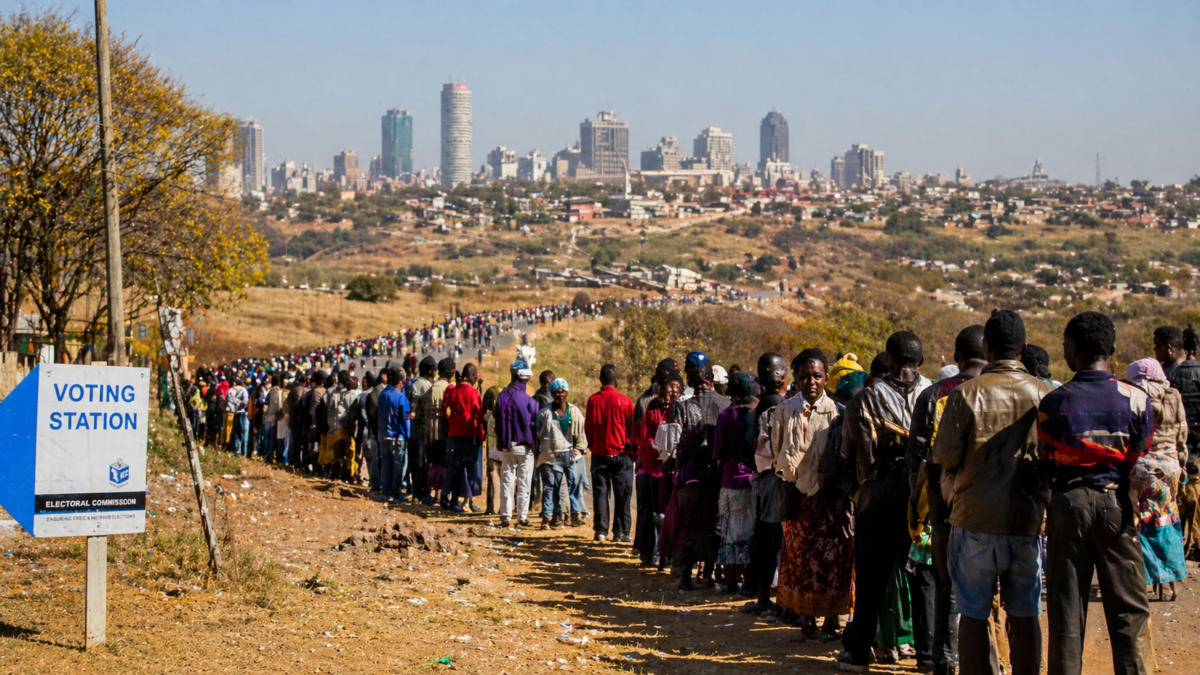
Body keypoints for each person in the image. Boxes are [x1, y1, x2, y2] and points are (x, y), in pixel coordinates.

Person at [931, 311, 1052, 675]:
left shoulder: (965, 394)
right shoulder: (1046, 395)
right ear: (1024, 348)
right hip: (1025, 520)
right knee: (1025, 610)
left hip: (973, 519)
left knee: (973, 612)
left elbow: (946, 457)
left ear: (987, 346)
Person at [1038, 311, 1153, 675]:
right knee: (1129, 610)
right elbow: (1139, 460)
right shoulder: (1136, 399)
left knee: (1066, 610)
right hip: (1116, 503)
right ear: (1112, 350)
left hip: (1068, 503)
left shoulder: (1054, 402)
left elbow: (1046, 458)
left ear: (1073, 350)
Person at [836, 332, 931, 674]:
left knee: (871, 577)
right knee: (923, 577)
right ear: (920, 362)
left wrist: (857, 491)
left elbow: (846, 455)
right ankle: (928, 654)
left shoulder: (866, 399)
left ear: (888, 361)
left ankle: (859, 653)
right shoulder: (934, 394)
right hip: (921, 496)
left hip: (877, 494)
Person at [905, 325, 987, 675]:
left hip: (940, 506)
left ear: (956, 357)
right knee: (985, 588)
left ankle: (940, 658)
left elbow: (917, 458)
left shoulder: (934, 394)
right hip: (988, 504)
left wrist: (917, 506)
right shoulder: (995, 391)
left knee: (943, 583)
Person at [774, 348, 850, 642]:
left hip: (831, 502)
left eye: (817, 376)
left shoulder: (838, 413)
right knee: (802, 560)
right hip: (798, 498)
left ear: (826, 377)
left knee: (833, 559)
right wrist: (791, 483)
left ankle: (832, 619)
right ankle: (807, 619)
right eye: (804, 377)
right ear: (795, 379)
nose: (811, 382)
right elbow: (779, 453)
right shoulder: (784, 410)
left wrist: (828, 490)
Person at [1124, 358, 1188, 601]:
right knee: (1166, 519)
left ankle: (1149, 576)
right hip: (1170, 467)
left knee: (1141, 521)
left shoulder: (1134, 395)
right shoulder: (1173, 395)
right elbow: (1182, 434)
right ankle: (1171, 578)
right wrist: (1180, 463)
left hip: (1143, 466)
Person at [712, 371, 759, 593]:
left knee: (730, 533)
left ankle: (730, 581)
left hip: (730, 481)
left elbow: (718, 452)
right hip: (752, 482)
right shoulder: (757, 414)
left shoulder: (725, 416)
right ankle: (746, 580)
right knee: (749, 532)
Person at [633, 372, 682, 565]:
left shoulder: (682, 410)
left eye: (674, 390)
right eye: (665, 390)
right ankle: (657, 551)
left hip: (676, 469)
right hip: (655, 468)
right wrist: (659, 452)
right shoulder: (651, 411)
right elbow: (644, 441)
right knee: (656, 512)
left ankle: (671, 552)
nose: (669, 395)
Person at [585, 364, 635, 542]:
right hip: (622, 455)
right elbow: (632, 429)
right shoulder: (626, 401)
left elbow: (588, 427)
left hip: (600, 454)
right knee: (623, 495)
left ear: (601, 380)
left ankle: (601, 531)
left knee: (600, 494)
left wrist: (593, 445)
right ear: (617, 380)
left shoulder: (593, 400)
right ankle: (621, 532)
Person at [535, 378, 588, 529]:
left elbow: (580, 433)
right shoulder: (545, 413)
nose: (560, 395)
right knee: (554, 486)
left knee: (574, 485)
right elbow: (539, 433)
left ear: (567, 393)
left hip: (571, 454)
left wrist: (579, 451)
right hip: (552, 456)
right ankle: (556, 517)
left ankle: (574, 516)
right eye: (557, 392)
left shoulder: (574, 411)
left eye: (563, 392)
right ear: (551, 393)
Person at [495, 359, 539, 528]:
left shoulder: (500, 397)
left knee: (506, 481)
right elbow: (535, 424)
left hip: (505, 446)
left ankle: (505, 516)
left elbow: (496, 421)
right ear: (524, 378)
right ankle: (522, 517)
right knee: (524, 483)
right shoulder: (529, 401)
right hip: (525, 448)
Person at [1170, 324, 1200, 558]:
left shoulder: (1173, 375)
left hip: (1177, 449)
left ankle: (1177, 546)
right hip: (1198, 450)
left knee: (1177, 501)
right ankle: (1195, 545)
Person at [443, 363, 485, 512]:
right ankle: (468, 501)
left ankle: (450, 498)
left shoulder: (452, 391)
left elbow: (444, 410)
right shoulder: (473, 393)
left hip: (454, 434)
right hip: (470, 435)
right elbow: (479, 416)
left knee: (455, 466)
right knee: (470, 468)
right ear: (472, 376)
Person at [420, 358, 455, 507]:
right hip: (445, 434)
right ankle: (441, 496)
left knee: (433, 465)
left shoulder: (430, 389)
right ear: (451, 373)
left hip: (429, 435)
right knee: (443, 466)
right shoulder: (450, 389)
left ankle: (432, 494)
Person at [376, 366, 411, 502]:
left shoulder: (383, 394)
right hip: (397, 436)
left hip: (383, 435)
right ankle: (395, 493)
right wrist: (407, 436)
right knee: (399, 466)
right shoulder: (401, 398)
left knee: (386, 465)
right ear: (401, 381)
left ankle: (385, 493)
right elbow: (405, 419)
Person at [407, 356, 436, 504]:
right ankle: (422, 494)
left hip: (411, 430)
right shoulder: (427, 387)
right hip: (423, 431)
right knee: (422, 463)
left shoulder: (411, 385)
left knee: (413, 462)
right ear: (431, 371)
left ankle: (414, 492)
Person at [227, 376, 250, 456]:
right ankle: (244, 452)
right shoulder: (244, 390)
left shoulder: (230, 390)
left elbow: (229, 403)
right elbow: (245, 402)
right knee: (243, 433)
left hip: (233, 413)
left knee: (235, 432)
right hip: (242, 413)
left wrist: (234, 409)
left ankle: (236, 451)